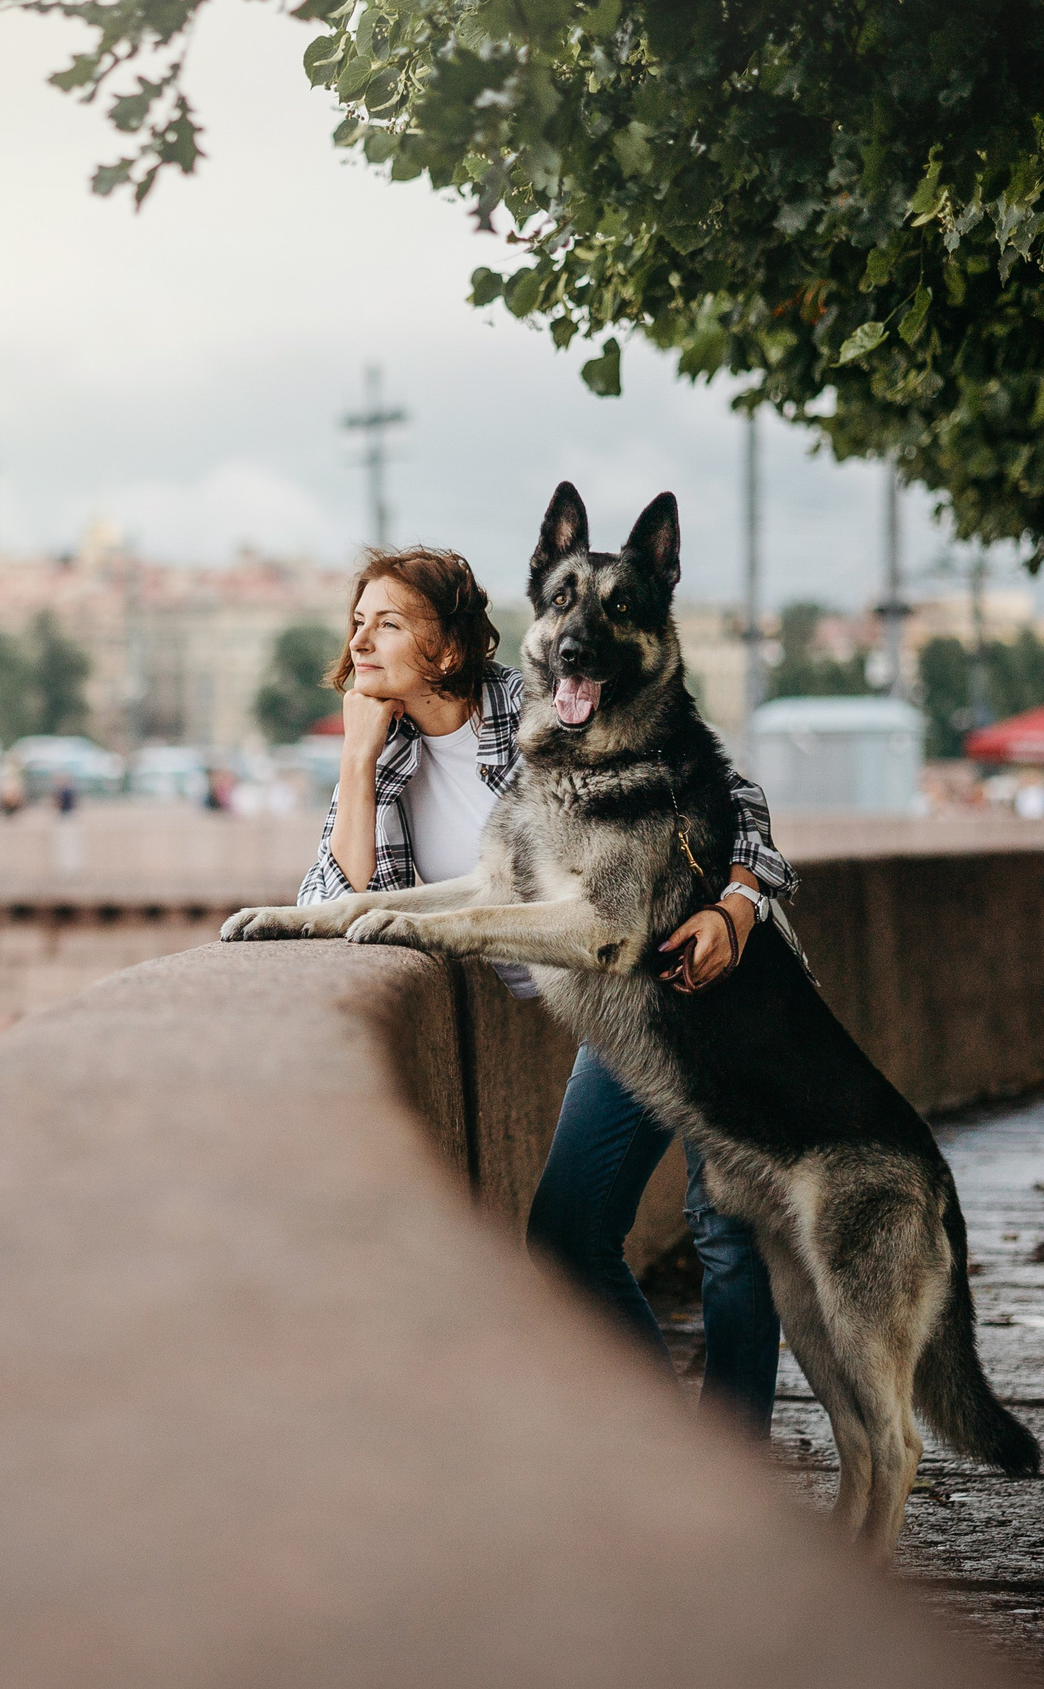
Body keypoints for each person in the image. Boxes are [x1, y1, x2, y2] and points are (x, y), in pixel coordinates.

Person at [293, 546, 796, 1434]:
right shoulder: (392, 758)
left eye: (389, 622)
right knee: (567, 1236)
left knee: (727, 1225)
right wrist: (358, 763)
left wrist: (740, 904)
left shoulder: (551, 696)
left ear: (448, 647)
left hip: (706, 962)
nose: (361, 640)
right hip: (611, 998)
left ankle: (733, 1463)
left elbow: (736, 798)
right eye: (357, 621)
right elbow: (337, 908)